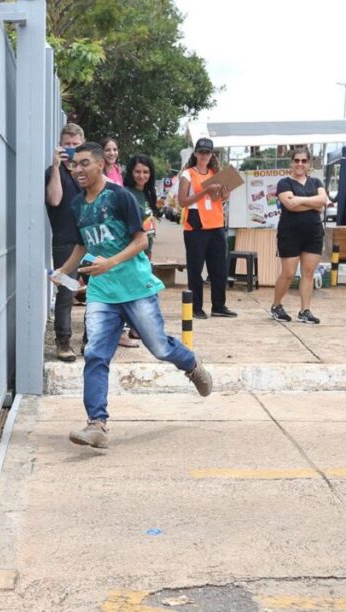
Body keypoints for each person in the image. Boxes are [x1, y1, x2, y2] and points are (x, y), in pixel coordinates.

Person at [52, 142, 213, 449]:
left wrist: (109, 263)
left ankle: (191, 365)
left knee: (159, 347)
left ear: (101, 165)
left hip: (135, 287)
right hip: (102, 292)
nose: (78, 170)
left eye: (84, 163)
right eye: (74, 165)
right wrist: (62, 273)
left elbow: (140, 242)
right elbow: (82, 246)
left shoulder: (120, 197)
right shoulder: (77, 206)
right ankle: (96, 424)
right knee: (96, 354)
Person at [177, 137, 236, 319]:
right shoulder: (188, 174)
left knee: (218, 268)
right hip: (196, 225)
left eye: (207, 152)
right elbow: (182, 201)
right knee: (196, 268)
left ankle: (219, 305)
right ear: (195, 153)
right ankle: (196, 307)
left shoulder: (214, 173)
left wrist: (224, 194)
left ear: (212, 155)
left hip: (216, 223)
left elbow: (218, 199)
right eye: (201, 152)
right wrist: (205, 191)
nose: (204, 155)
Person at [271, 147, 325, 325]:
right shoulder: (284, 183)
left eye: (303, 161)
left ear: (309, 163)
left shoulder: (316, 182)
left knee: (308, 273)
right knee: (288, 273)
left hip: (314, 233)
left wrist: (300, 200)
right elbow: (289, 205)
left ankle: (305, 310)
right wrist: (313, 203)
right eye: (297, 160)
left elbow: (322, 202)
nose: (300, 164)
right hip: (290, 233)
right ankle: (276, 305)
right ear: (291, 162)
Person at [45, 123, 85, 362]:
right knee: (65, 292)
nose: (71, 149)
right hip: (64, 241)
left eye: (76, 145)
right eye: (67, 144)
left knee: (99, 291)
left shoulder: (87, 172)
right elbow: (54, 199)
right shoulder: (53, 171)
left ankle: (91, 341)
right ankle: (63, 342)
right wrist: (58, 167)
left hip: (91, 242)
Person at [123, 154, 158, 258]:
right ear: (131, 172)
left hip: (146, 253)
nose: (142, 176)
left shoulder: (149, 194)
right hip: (132, 254)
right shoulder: (126, 195)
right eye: (137, 171)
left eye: (146, 172)